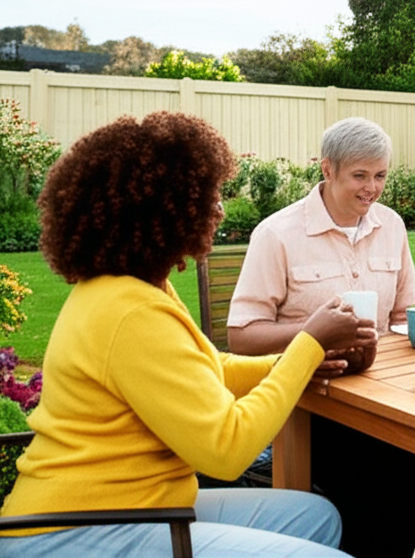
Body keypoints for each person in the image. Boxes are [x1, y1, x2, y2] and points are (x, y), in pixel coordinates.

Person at [0, 112, 361, 558]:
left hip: (143, 505)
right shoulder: (130, 312)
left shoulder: (141, 285)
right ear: (161, 209)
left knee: (316, 517)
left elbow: (213, 367)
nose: (220, 209)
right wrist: (309, 343)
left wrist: (294, 364)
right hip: (74, 530)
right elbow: (228, 450)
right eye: (209, 197)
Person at [227, 116, 415, 558]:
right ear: (327, 169)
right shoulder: (277, 234)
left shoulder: (391, 226)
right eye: (360, 176)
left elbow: (405, 313)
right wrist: (314, 336)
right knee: (401, 468)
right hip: (312, 408)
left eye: (381, 176)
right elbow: (241, 336)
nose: (372, 188)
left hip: (389, 397)